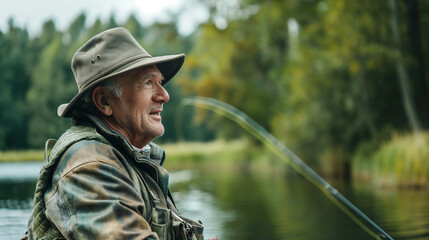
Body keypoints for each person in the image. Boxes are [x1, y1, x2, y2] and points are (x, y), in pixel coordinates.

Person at [24, 27, 204, 240]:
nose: (164, 95)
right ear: (104, 101)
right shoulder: (88, 166)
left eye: (160, 82)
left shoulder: (125, 160)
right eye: (148, 82)